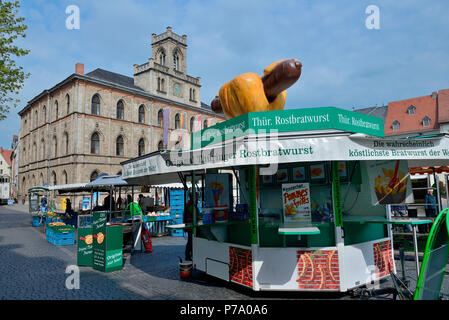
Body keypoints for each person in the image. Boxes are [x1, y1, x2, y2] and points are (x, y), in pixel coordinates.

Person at [183, 192, 199, 262]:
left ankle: (189, 255)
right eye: (196, 197)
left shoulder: (189, 204)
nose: (197, 198)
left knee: (191, 241)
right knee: (191, 241)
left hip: (190, 225)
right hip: (191, 226)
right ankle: (188, 256)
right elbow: (197, 215)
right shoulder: (191, 206)